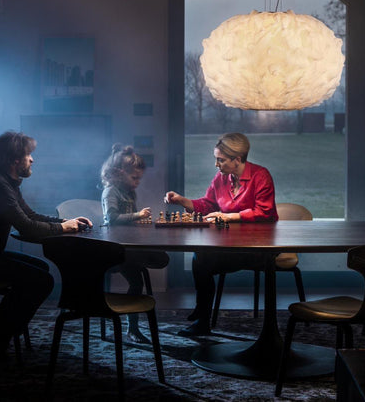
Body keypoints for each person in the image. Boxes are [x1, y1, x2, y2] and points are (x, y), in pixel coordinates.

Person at [0, 131, 92, 360]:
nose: (32, 159)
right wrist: (64, 228)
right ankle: (2, 326)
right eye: (29, 155)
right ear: (14, 160)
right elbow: (28, 227)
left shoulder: (6, 184)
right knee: (42, 280)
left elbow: (30, 216)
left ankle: (3, 320)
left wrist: (67, 222)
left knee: (41, 269)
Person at [164, 132, 278, 336]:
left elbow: (265, 212)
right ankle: (202, 315)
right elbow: (208, 204)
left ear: (237, 159)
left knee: (202, 259)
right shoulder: (221, 178)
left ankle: (202, 315)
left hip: (259, 247)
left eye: (221, 160)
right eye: (216, 159)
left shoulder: (261, 175)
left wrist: (229, 216)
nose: (216, 165)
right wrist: (182, 200)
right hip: (231, 245)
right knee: (200, 256)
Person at [101, 143, 169, 343]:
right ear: (119, 173)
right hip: (113, 249)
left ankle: (132, 329)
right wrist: (138, 215)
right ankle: (132, 328)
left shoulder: (130, 192)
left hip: (127, 246)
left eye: (139, 178)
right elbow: (112, 218)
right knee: (146, 269)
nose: (138, 182)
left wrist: (139, 222)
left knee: (138, 281)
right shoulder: (110, 192)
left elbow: (129, 221)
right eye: (134, 178)